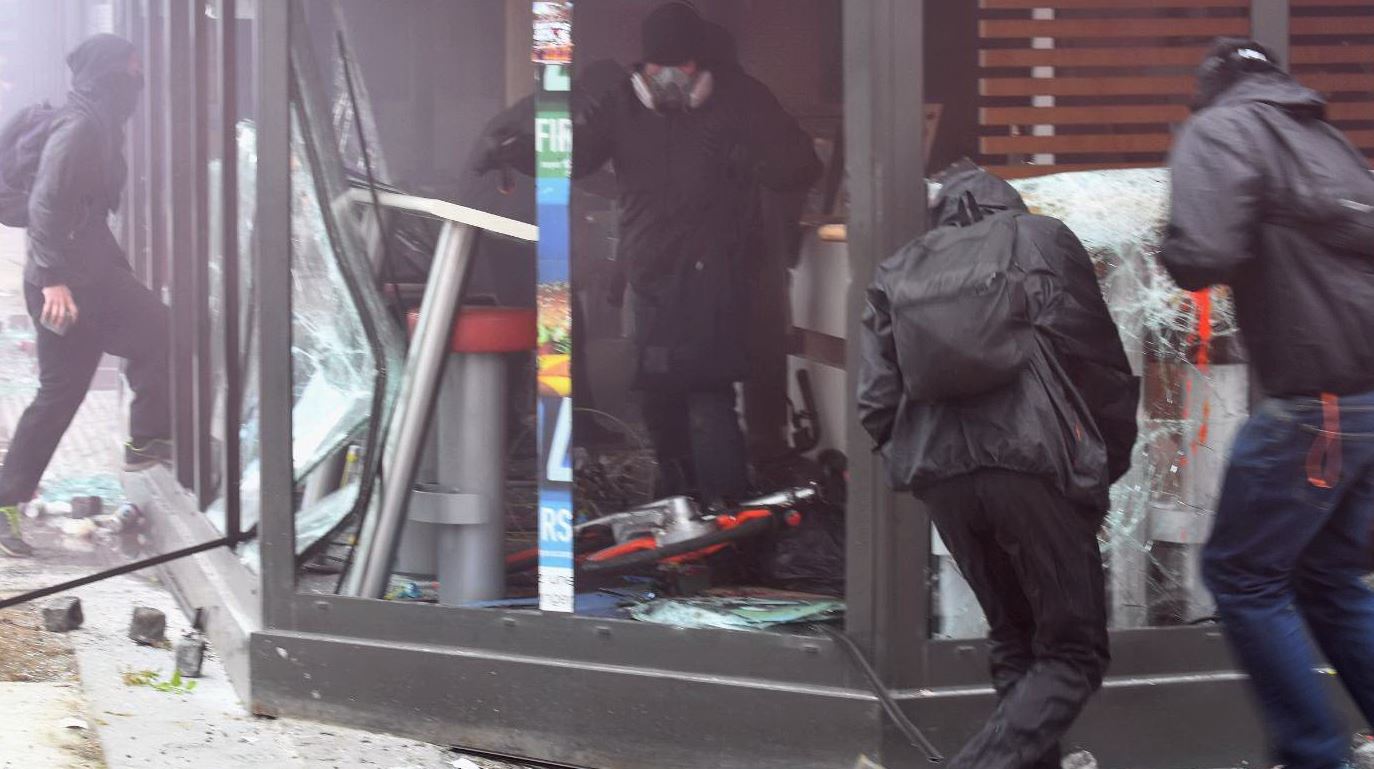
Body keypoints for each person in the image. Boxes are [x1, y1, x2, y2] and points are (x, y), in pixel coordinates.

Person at [483, 2, 820, 504]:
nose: (668, 76)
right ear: (642, 65)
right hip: (651, 279)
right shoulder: (621, 102)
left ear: (702, 65)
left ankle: (724, 520)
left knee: (708, 400)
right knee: (659, 401)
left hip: (718, 279)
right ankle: (676, 509)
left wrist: (756, 157)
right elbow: (576, 155)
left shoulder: (743, 100)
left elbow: (801, 167)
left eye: (681, 65)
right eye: (657, 65)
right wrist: (521, 152)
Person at [859, 165, 1138, 769]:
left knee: (1016, 640)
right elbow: (1100, 362)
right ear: (1006, 201)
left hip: (945, 482)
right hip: (1033, 467)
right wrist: (1101, 462)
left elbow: (876, 404)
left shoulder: (899, 267)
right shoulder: (1040, 239)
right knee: (1073, 652)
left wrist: (924, 461)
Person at [1162, 38, 1374, 769]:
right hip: (1365, 400)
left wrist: (1172, 243)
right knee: (1328, 577)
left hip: (1317, 403)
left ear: (1210, 89)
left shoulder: (1220, 130)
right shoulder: (1323, 136)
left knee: (1242, 573)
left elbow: (1202, 252)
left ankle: (1315, 756)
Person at [0, 34, 169, 557]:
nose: (138, 81)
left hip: (88, 278)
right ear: (110, 74)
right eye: (132, 70)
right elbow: (47, 203)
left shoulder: (96, 122)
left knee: (158, 336)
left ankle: (143, 442)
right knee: (66, 392)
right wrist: (52, 279)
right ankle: (9, 503)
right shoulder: (79, 128)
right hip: (66, 286)